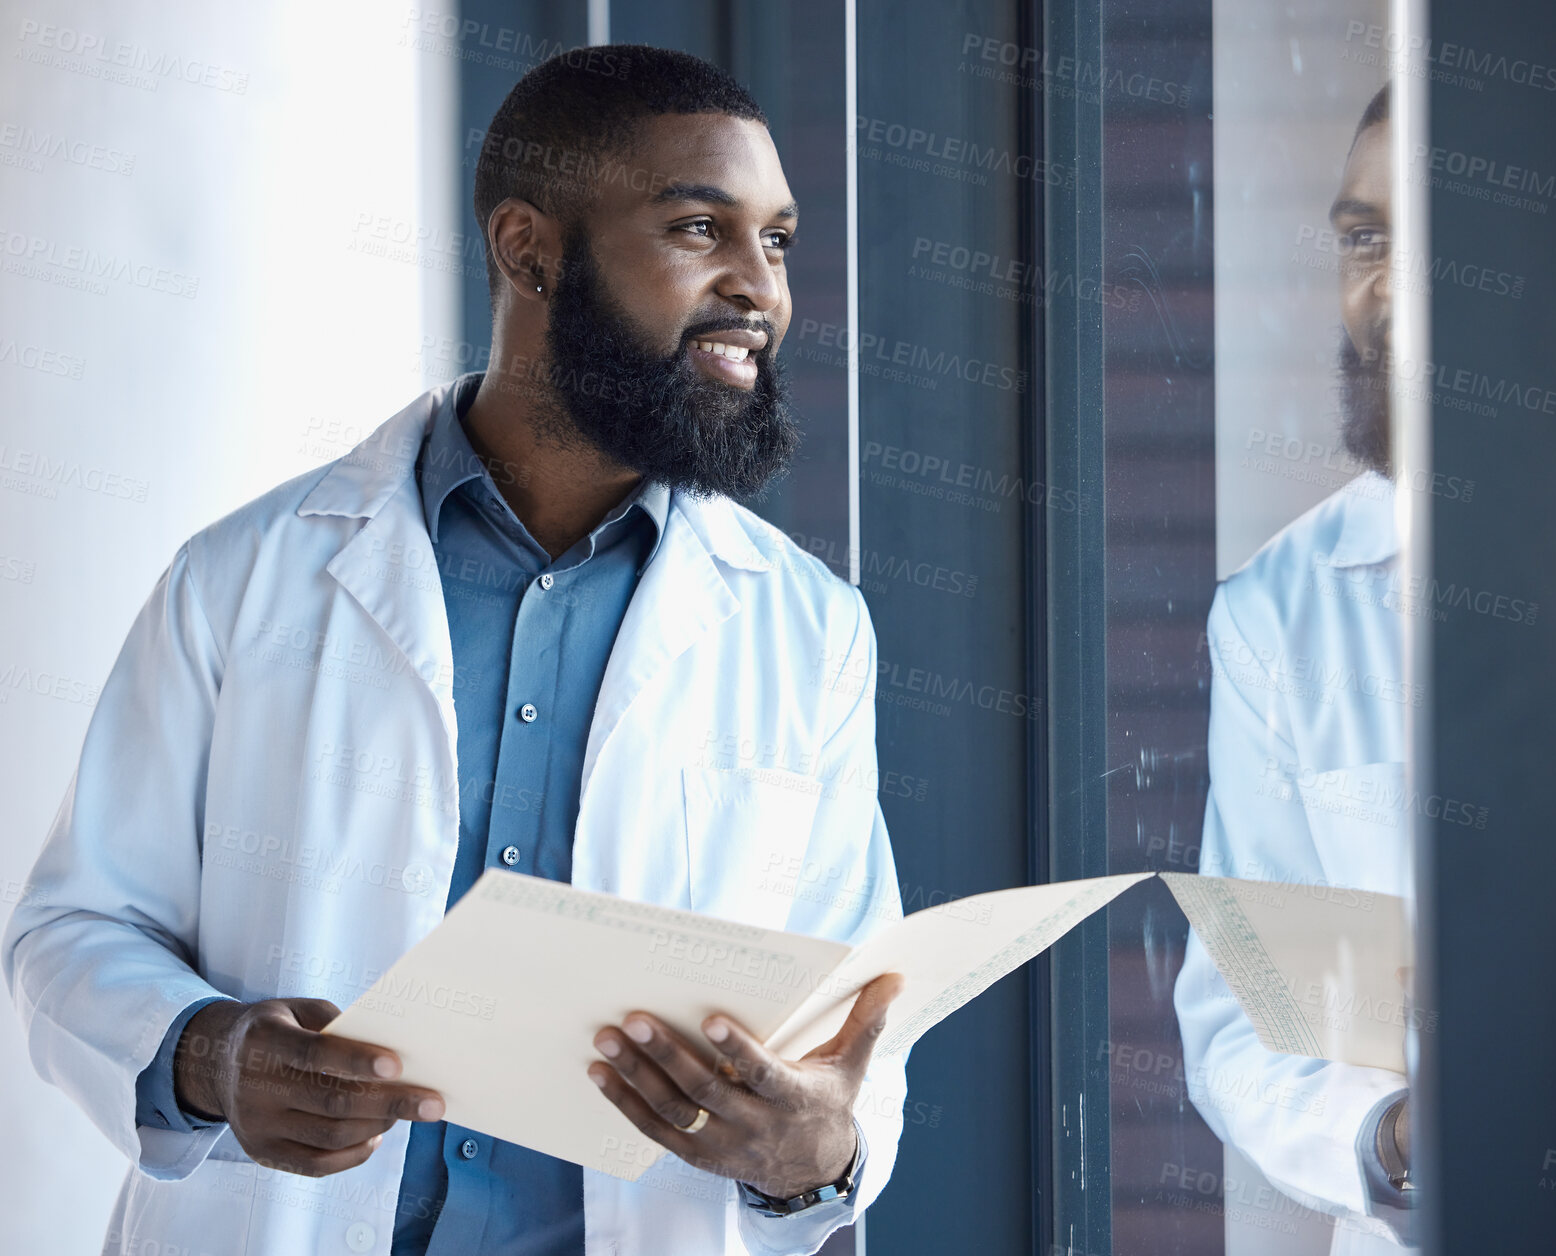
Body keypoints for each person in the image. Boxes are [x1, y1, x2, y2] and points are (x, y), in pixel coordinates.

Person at [3, 46, 907, 1256]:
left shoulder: (806, 629)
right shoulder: (242, 578)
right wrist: (212, 1054)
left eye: (778, 240)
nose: (761, 288)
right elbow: (72, 932)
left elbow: (851, 1032)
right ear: (529, 249)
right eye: (701, 227)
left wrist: (818, 1155)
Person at [1173, 84, 1420, 1254]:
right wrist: (1390, 1138)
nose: (1383, 287)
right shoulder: (1282, 605)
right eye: (1362, 238)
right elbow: (1243, 1023)